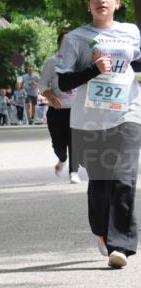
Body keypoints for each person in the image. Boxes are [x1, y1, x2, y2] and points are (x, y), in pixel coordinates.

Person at [55, 0, 141, 268]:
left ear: (118, 2)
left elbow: (138, 64)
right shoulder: (76, 38)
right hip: (89, 121)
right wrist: (93, 69)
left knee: (125, 177)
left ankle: (122, 246)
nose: (101, 0)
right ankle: (103, 232)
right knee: (101, 185)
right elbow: (64, 80)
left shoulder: (130, 32)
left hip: (128, 112)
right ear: (89, 4)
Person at [41, 33, 80, 184]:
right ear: (60, 45)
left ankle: (73, 172)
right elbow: (42, 84)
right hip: (57, 110)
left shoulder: (81, 62)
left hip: (76, 109)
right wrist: (51, 97)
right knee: (58, 144)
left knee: (75, 141)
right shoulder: (52, 62)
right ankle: (62, 158)